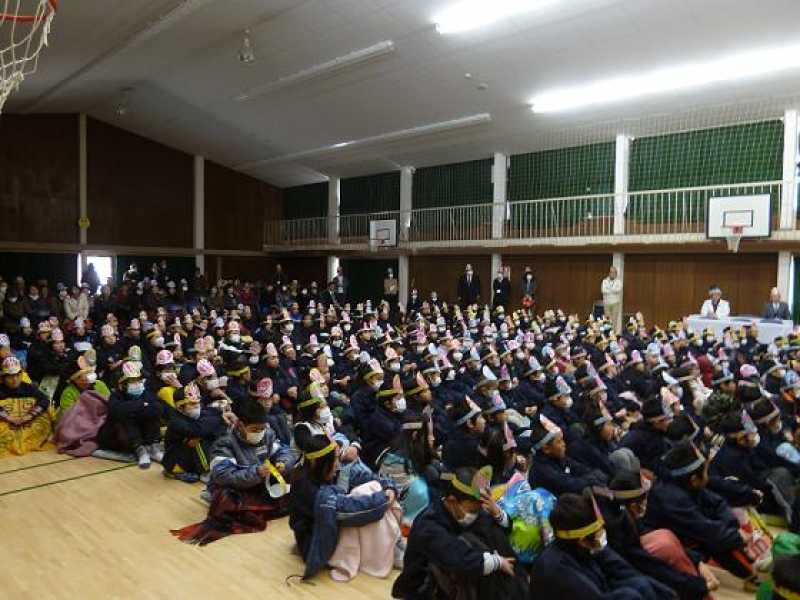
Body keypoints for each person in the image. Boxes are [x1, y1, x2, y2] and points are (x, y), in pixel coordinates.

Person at [392, 466, 528, 600]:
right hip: (425, 587)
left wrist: (497, 513)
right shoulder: (429, 526)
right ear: (452, 501)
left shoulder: (468, 510)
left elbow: (498, 530)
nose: (476, 514)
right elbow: (459, 559)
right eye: (473, 510)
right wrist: (497, 562)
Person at [171, 398, 293, 545]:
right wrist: (256, 472)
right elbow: (224, 476)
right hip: (235, 486)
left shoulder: (267, 435)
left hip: (260, 479)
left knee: (297, 483)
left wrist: (283, 462)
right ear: (240, 425)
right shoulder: (224, 443)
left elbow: (284, 451)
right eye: (255, 430)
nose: (260, 433)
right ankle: (211, 495)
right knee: (229, 502)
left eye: (262, 428)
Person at [289, 433, 400, 580]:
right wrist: (385, 498)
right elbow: (351, 509)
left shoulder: (327, 471)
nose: (337, 464)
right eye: (334, 460)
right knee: (366, 505)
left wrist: (389, 487)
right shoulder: (309, 489)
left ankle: (392, 547)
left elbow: (368, 478)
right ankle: (388, 552)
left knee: (371, 487)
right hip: (315, 541)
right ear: (319, 463)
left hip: (333, 523)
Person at [532, 490, 670, 598]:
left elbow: (623, 570)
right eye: (598, 533)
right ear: (583, 541)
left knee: (642, 585)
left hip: (601, 589)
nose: (602, 536)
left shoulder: (584, 547)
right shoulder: (558, 571)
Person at [0, 356, 52, 458]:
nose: (14, 379)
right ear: (3, 377)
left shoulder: (28, 387)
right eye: (10, 376)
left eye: (17, 375)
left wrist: (29, 416)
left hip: (27, 423)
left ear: (21, 374)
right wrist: (8, 417)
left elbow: (45, 400)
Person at [601, 265, 623, 334]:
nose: (612, 274)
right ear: (609, 273)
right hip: (606, 303)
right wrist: (612, 290)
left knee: (614, 320)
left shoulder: (619, 282)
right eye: (611, 272)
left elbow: (618, 290)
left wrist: (609, 289)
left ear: (616, 274)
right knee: (607, 319)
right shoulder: (604, 281)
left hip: (615, 303)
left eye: (614, 272)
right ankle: (607, 333)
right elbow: (603, 290)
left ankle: (613, 334)